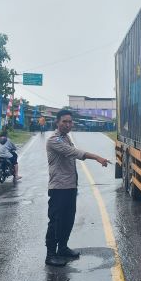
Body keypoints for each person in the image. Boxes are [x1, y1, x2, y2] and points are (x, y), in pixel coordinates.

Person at [45, 110, 110, 267]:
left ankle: (63, 248)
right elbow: (73, 152)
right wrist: (96, 157)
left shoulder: (66, 137)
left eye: (70, 122)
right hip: (59, 188)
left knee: (68, 220)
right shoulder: (53, 140)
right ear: (57, 122)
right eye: (64, 122)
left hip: (70, 186)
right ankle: (51, 254)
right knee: (56, 221)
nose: (68, 124)